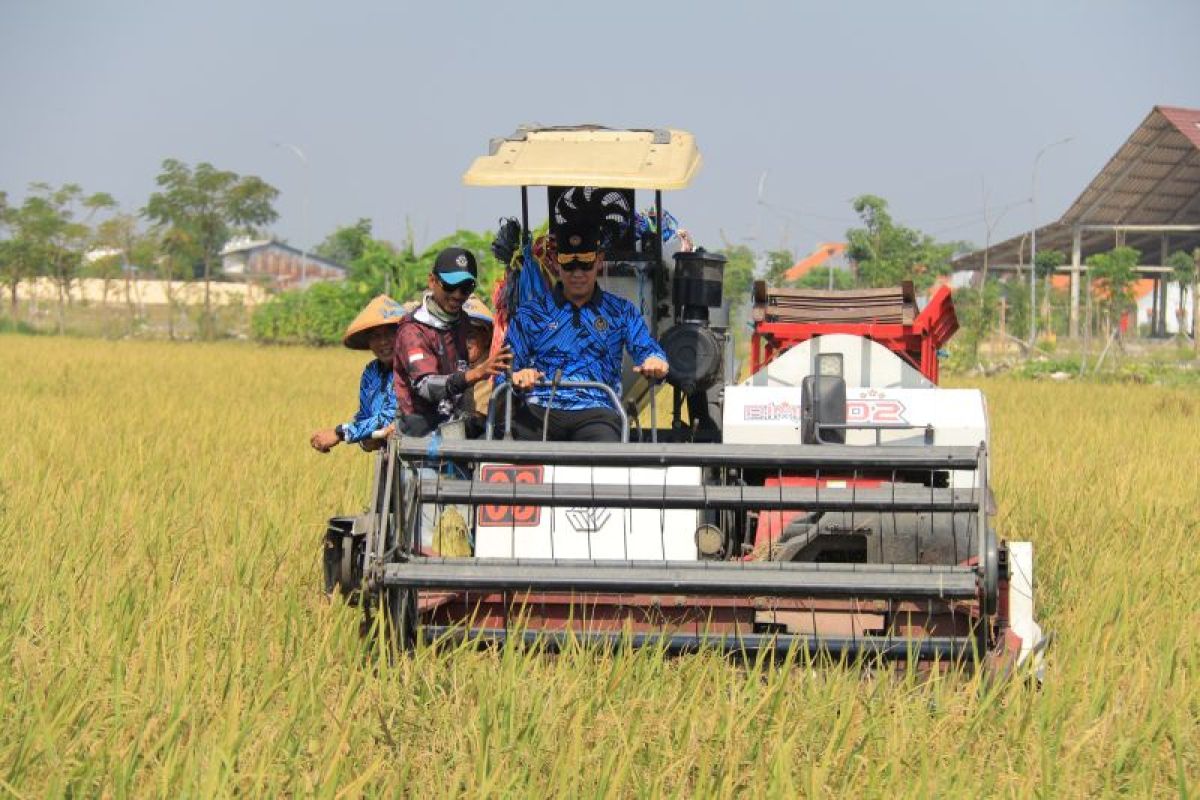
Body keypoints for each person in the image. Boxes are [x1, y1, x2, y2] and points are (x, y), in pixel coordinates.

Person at [504, 221, 669, 442]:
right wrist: (516, 376)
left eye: (586, 264)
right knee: (511, 447)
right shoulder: (529, 314)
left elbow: (649, 351)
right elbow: (502, 372)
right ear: (555, 262)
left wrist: (656, 362)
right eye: (569, 265)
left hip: (597, 412)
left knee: (607, 450)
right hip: (540, 409)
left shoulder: (621, 311)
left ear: (599, 261)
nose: (578, 273)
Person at [393, 247, 511, 436]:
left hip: (459, 426)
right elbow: (426, 386)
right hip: (421, 432)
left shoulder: (462, 320)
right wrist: (477, 373)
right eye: (449, 286)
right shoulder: (413, 330)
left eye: (465, 288)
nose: (457, 295)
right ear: (432, 281)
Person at [310, 294, 405, 453]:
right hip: (388, 459)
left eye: (389, 333)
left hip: (420, 457)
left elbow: (390, 417)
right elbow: (365, 418)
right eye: (376, 336)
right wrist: (366, 441)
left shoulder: (412, 367)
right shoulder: (371, 372)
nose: (383, 342)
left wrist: (339, 433)